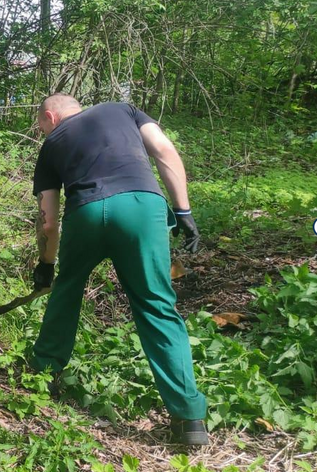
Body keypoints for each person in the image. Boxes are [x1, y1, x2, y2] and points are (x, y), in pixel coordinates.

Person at [29, 93, 207, 445]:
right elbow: (164, 151)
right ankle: (189, 421)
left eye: (41, 125)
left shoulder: (51, 144)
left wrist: (46, 266)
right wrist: (183, 210)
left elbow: (49, 222)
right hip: (141, 206)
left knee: (66, 293)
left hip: (86, 213)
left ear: (50, 116)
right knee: (156, 305)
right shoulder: (123, 110)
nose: (43, 131)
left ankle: (43, 374)